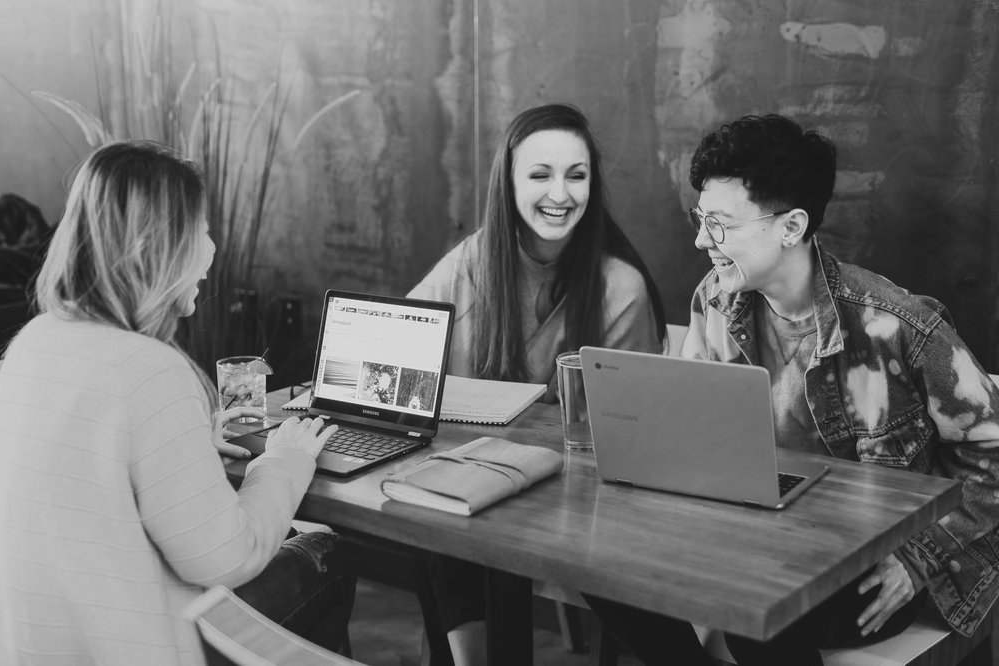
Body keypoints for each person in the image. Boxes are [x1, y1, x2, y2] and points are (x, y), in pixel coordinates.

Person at [585, 114, 999, 665]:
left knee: (757, 612)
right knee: (597, 566)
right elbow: (691, 441)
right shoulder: (715, 301)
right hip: (754, 538)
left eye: (721, 224)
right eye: (700, 218)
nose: (700, 239)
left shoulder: (895, 326)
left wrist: (917, 558)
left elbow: (992, 457)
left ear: (791, 226)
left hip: (866, 560)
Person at [0, 141, 355, 666]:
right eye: (203, 231)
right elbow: (224, 559)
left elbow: (78, 470)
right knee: (324, 550)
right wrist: (285, 461)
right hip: (137, 647)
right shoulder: (151, 369)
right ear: (161, 244)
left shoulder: (33, 341)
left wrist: (188, 438)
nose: (212, 250)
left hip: (41, 645)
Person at [408, 103, 665, 664]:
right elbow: (406, 338)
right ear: (510, 182)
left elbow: (625, 434)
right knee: (435, 508)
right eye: (540, 174)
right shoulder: (477, 257)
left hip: (573, 500)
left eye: (577, 175)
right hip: (473, 481)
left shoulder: (619, 287)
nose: (561, 193)